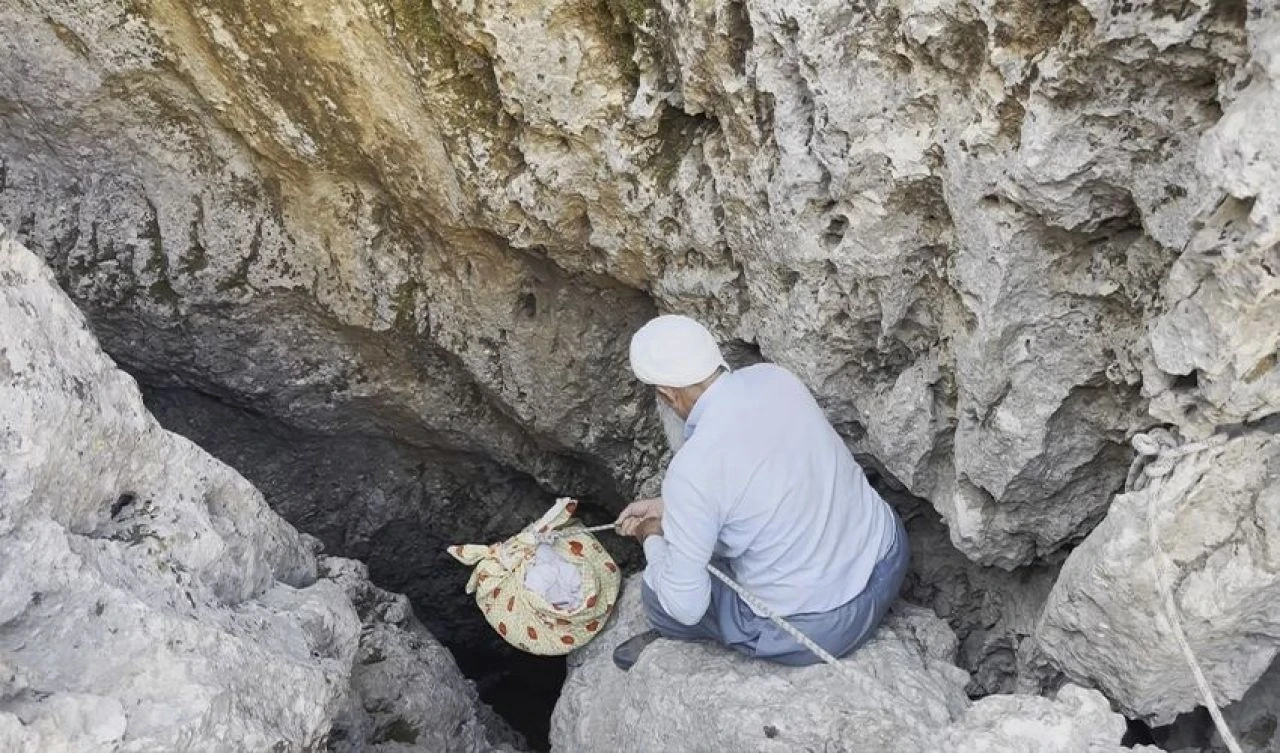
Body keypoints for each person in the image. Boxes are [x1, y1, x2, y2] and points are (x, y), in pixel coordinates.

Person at [612, 314, 909, 670]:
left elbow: (686, 607)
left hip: (823, 627)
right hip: (889, 558)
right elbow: (767, 481)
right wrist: (670, 508)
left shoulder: (694, 469)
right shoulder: (775, 378)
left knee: (659, 598)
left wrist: (651, 537)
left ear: (667, 395)